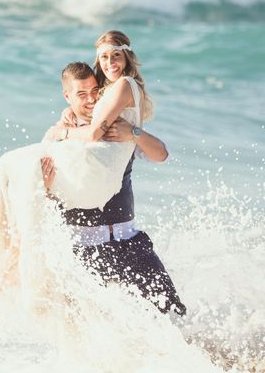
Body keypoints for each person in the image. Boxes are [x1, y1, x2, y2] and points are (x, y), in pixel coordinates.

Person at [39, 31, 186, 315]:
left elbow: (161, 154)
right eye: (82, 94)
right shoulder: (60, 133)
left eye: (95, 92)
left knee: (172, 313)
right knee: (94, 331)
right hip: (82, 246)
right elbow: (43, 192)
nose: (91, 99)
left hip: (127, 239)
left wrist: (135, 133)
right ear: (67, 96)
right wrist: (45, 187)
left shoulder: (118, 125)